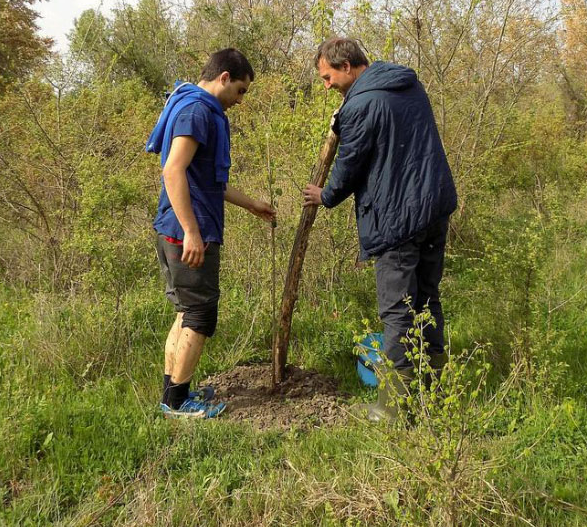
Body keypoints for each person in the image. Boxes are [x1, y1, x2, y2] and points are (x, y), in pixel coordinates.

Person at [303, 37, 457, 421]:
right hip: (434, 207)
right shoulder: (407, 84)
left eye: (328, 77)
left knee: (396, 311)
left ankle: (395, 408)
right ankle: (434, 393)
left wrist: (325, 195)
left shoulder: (361, 103)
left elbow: (350, 164)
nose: (327, 86)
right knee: (426, 300)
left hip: (397, 218)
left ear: (348, 66)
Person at [146, 48, 276, 418]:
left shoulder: (194, 105)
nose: (240, 100)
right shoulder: (198, 111)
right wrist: (191, 231)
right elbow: (173, 171)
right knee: (200, 315)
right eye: (240, 90)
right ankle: (177, 404)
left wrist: (252, 204)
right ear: (223, 77)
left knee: (188, 312)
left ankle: (173, 393)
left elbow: (209, 181)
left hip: (180, 228)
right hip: (186, 231)